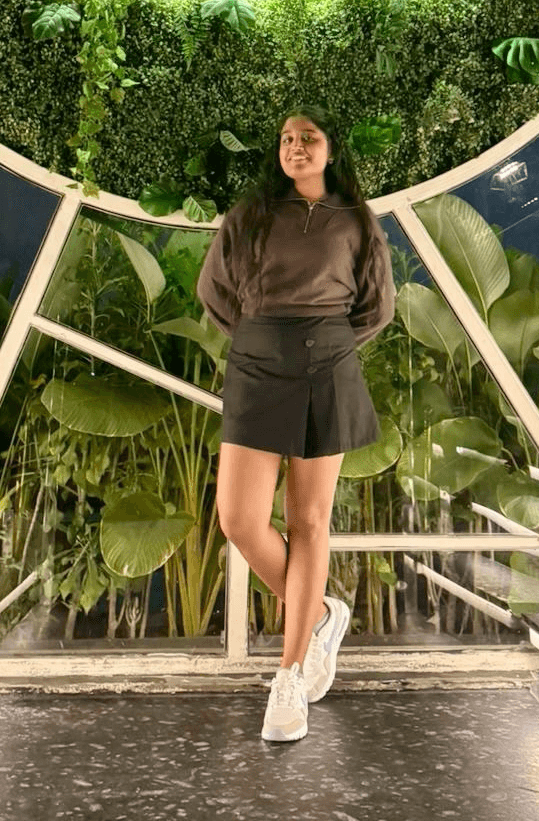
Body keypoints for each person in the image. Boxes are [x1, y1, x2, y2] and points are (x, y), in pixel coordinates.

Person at [196, 104, 395, 742]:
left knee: (308, 521)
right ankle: (322, 613)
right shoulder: (250, 214)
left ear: (331, 150)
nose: (296, 147)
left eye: (308, 137)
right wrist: (263, 337)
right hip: (256, 364)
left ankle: (289, 675)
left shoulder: (356, 219)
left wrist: (323, 341)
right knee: (239, 519)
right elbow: (214, 291)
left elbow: (376, 307)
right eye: (286, 138)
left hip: (327, 365)